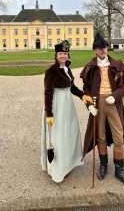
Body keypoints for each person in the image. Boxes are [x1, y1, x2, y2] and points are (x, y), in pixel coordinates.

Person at [80, 32, 124, 185]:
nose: (102, 50)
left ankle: (119, 168)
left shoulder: (118, 65)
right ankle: (103, 165)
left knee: (119, 135)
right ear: (94, 50)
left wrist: (115, 95)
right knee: (100, 135)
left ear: (107, 48)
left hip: (113, 103)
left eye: (104, 47)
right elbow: (86, 89)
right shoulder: (90, 67)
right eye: (99, 48)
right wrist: (89, 106)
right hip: (98, 104)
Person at [41, 40, 92, 183]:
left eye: (65, 53)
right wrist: (49, 113)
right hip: (56, 106)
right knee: (58, 137)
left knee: (69, 133)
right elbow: (48, 93)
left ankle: (68, 163)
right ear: (56, 55)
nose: (63, 56)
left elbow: (72, 87)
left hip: (67, 106)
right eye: (60, 53)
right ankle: (57, 170)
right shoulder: (51, 71)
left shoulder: (67, 69)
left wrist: (83, 95)